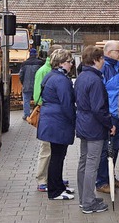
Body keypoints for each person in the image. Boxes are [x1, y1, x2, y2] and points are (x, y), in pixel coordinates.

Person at [74, 45, 114, 213]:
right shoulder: (96, 80)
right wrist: (109, 124)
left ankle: (84, 198)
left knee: (83, 162)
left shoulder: (81, 76)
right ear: (96, 60)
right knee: (92, 163)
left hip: (83, 123)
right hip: (94, 126)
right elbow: (99, 108)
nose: (104, 61)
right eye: (102, 58)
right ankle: (89, 202)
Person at [36, 48, 76, 200]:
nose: (71, 65)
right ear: (60, 63)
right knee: (57, 157)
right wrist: (73, 120)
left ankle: (58, 186)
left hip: (50, 121)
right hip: (58, 122)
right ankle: (55, 191)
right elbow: (67, 103)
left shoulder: (51, 76)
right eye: (69, 62)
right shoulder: (61, 80)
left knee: (57, 156)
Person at [96, 40, 119, 193]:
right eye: (118, 50)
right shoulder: (104, 68)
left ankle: (110, 177)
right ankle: (101, 181)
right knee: (106, 150)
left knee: (115, 148)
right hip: (110, 115)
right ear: (108, 53)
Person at [33, 44, 63, 192]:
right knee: (46, 149)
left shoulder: (52, 71)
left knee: (55, 151)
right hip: (48, 117)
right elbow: (37, 96)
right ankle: (41, 179)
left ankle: (53, 177)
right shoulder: (43, 71)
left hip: (53, 117)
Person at [19, 48, 44, 120]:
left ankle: (26, 115)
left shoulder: (24, 63)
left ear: (29, 54)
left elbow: (21, 75)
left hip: (26, 86)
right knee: (38, 100)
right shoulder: (40, 63)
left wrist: (23, 83)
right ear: (36, 54)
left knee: (26, 100)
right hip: (37, 86)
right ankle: (37, 114)